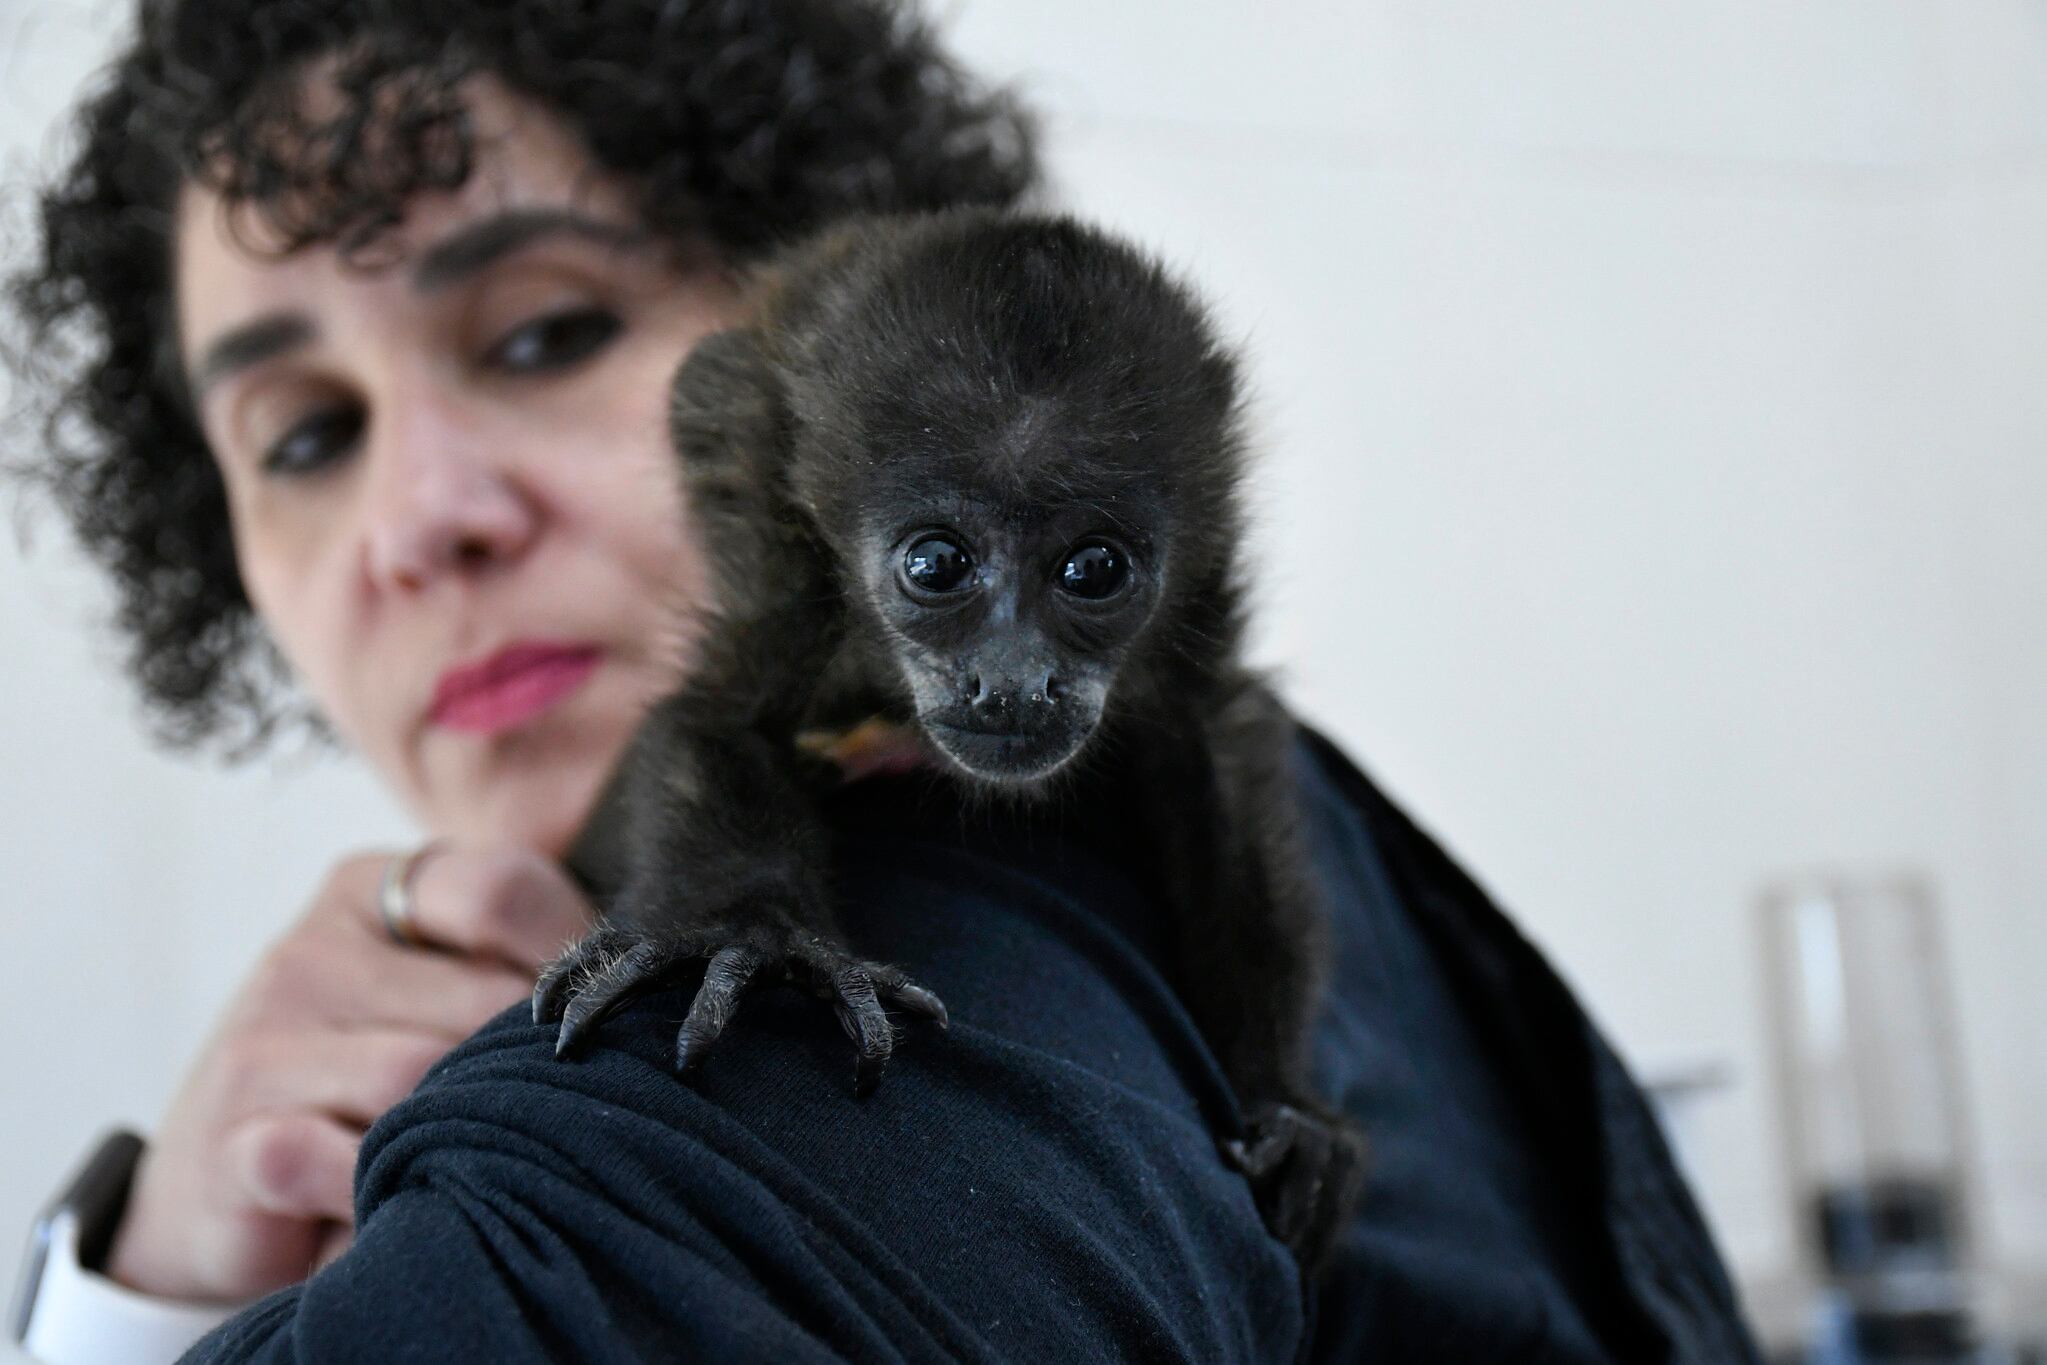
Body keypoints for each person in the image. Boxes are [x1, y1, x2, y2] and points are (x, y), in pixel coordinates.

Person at [3, 0, 1763, 1360]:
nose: (418, 519)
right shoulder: (1251, 835)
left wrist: (120, 1332)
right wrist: (155, 1265)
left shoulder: (840, 1054)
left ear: (789, 393)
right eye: (304, 433)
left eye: (546, 332)